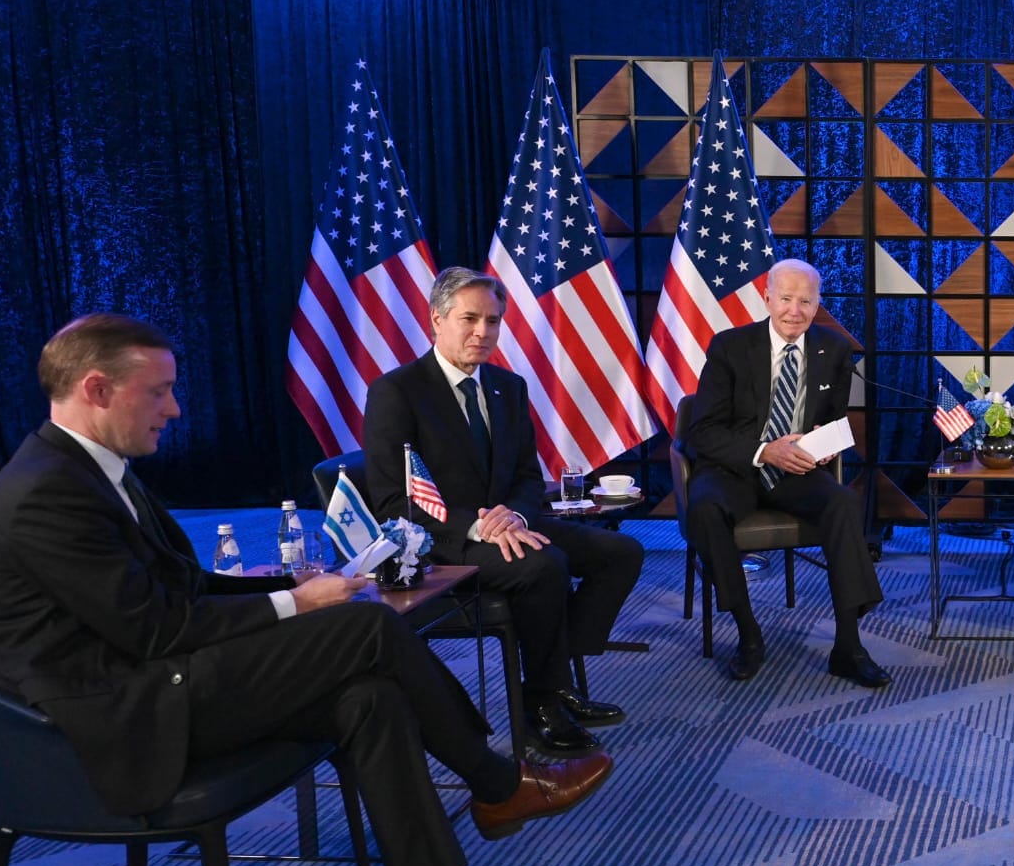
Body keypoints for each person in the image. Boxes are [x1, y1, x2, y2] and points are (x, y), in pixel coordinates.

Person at [0, 314, 614, 866]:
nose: (175, 408)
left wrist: (292, 584)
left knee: (370, 696)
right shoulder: (45, 494)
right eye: (158, 392)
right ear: (97, 389)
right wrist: (293, 605)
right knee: (366, 628)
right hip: (119, 718)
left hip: (159, 677)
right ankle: (497, 783)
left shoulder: (94, 470)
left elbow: (183, 587)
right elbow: (153, 628)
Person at [363, 267, 646, 755]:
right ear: (437, 320)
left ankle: (556, 679)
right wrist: (479, 526)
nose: (483, 332)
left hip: (510, 525)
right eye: (469, 319)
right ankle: (541, 703)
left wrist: (514, 516)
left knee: (621, 553)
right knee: (544, 566)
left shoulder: (507, 386)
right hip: (442, 540)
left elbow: (527, 478)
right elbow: (394, 502)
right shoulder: (397, 391)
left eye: (492, 321)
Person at [683, 258, 888, 687]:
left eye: (806, 301)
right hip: (735, 468)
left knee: (843, 502)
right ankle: (748, 633)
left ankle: (848, 646)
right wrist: (764, 451)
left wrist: (820, 445)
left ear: (818, 304)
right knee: (705, 508)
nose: (795, 311)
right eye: (786, 299)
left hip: (795, 471)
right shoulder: (730, 347)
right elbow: (702, 432)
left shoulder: (834, 349)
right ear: (767, 298)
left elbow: (832, 421)